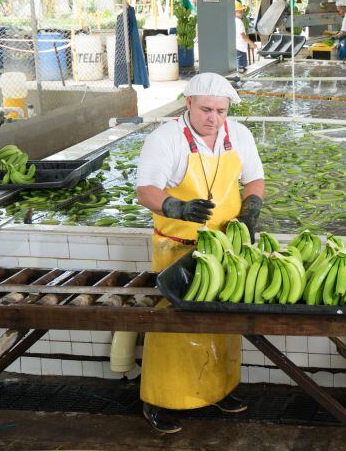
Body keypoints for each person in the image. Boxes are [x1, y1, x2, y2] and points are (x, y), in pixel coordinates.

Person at [134, 73, 266, 434]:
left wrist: (250, 210)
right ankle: (160, 400)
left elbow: (254, 179)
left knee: (224, 323)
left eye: (221, 111)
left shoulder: (238, 135)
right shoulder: (166, 139)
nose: (214, 118)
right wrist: (176, 207)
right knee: (172, 327)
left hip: (225, 248)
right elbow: (145, 191)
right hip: (176, 249)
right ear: (188, 103)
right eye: (206, 109)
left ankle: (220, 390)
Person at [235, 1, 256, 72]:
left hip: (237, 48)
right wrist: (251, 43)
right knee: (242, 69)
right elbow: (243, 36)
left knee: (240, 68)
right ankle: (241, 83)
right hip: (240, 49)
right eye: (240, 11)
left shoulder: (233, 21)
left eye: (242, 11)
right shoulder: (238, 21)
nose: (242, 13)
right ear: (234, 12)